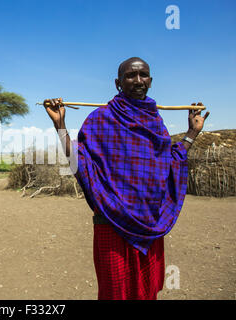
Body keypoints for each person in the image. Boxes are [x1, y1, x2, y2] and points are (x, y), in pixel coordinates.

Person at [43, 57, 210, 300]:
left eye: (143, 75)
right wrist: (60, 126)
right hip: (111, 222)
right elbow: (80, 163)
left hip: (150, 226)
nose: (138, 81)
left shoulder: (156, 123)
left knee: (146, 291)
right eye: (131, 76)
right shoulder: (100, 119)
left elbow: (170, 163)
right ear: (118, 82)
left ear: (151, 81)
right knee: (115, 293)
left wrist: (192, 133)